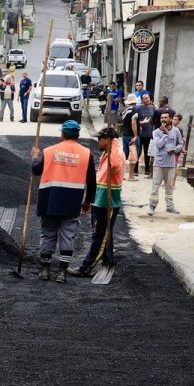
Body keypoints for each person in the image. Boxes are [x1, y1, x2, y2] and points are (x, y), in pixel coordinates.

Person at [29, 119, 95, 282]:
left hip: (49, 199)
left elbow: (36, 170)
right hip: (72, 200)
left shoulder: (50, 151)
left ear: (62, 134)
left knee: (48, 233)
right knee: (68, 235)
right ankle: (62, 273)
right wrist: (88, 201)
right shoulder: (87, 154)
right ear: (77, 135)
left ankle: (45, 270)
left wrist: (35, 157)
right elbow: (92, 181)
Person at [76, 125, 125, 278]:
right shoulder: (106, 152)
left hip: (107, 201)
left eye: (100, 139)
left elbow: (115, 166)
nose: (98, 142)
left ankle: (87, 266)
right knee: (104, 234)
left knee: (100, 235)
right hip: (100, 199)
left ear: (108, 140)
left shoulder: (115, 152)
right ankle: (108, 260)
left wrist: (112, 148)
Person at [148, 110, 185, 215]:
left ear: (170, 119)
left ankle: (170, 207)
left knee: (169, 187)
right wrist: (165, 134)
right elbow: (159, 145)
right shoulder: (156, 132)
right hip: (159, 164)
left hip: (171, 164)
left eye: (165, 118)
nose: (163, 119)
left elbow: (181, 144)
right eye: (161, 118)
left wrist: (175, 149)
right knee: (155, 186)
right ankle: (152, 207)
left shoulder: (176, 131)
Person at [131, 93, 157, 178]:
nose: (147, 99)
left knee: (147, 153)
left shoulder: (153, 109)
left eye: (148, 98)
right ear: (142, 100)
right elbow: (134, 121)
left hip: (149, 134)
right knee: (138, 152)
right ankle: (135, 170)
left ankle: (147, 170)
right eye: (145, 98)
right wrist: (142, 122)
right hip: (139, 134)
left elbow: (154, 121)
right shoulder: (138, 108)